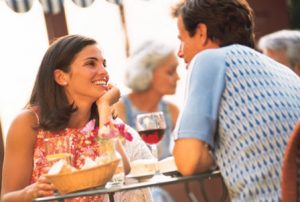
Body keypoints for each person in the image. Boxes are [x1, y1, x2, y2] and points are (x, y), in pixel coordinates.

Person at [171, 0, 300, 201]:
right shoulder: (285, 72)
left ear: (202, 33)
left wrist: (209, 151)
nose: (180, 52)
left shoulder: (208, 60)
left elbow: (189, 161)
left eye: (183, 39)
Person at [1, 35, 152, 202]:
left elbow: (120, 170)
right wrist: (32, 193)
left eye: (104, 64)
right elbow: (7, 198)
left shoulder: (104, 122)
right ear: (61, 77)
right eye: (91, 63)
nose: (104, 71)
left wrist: (104, 107)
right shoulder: (29, 122)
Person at [114, 40, 180, 161]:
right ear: (146, 73)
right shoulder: (119, 109)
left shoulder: (172, 111)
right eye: (170, 72)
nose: (178, 77)